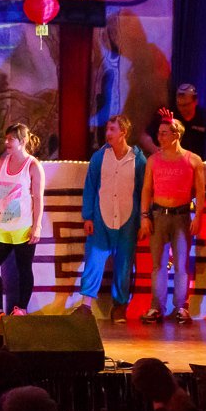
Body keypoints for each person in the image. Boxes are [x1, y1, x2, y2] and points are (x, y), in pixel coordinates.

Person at [70, 115, 146, 321]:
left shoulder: (138, 160)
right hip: (101, 218)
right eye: (107, 129)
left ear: (123, 132)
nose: (108, 133)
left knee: (124, 264)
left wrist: (143, 219)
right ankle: (86, 305)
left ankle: (119, 306)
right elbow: (90, 187)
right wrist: (88, 217)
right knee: (94, 260)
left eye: (112, 129)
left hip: (127, 219)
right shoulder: (99, 157)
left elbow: (144, 192)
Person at [139, 115, 206, 323]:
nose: (159, 137)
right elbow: (147, 189)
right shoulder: (153, 160)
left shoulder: (193, 160)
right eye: (159, 133)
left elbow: (200, 192)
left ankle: (181, 307)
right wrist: (144, 216)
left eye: (164, 133)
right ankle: (156, 307)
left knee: (181, 265)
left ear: (176, 135)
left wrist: (198, 217)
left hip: (182, 216)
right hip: (159, 215)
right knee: (158, 265)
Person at [0, 123, 45, 322]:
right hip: (3, 225)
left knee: (24, 269)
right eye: (6, 138)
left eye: (11, 139)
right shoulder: (2, 162)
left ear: (22, 141)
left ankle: (21, 308)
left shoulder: (33, 166)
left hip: (23, 227)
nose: (6, 142)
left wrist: (37, 226)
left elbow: (38, 198)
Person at [140, 82, 206, 158]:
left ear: (195, 101)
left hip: (195, 163)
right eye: (179, 105)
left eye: (185, 105)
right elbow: (144, 136)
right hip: (171, 162)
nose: (182, 109)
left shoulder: (204, 117)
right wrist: (156, 151)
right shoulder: (168, 115)